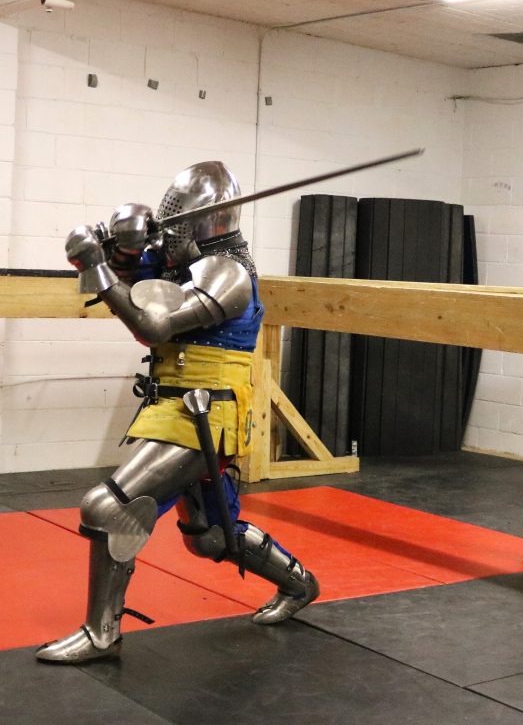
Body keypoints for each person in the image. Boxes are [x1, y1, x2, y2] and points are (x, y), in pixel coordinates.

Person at [36, 162, 319, 663]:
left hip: (205, 417)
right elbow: (130, 279)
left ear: (204, 220)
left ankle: (101, 634)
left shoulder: (228, 273)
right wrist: (111, 245)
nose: (168, 228)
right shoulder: (181, 266)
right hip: (175, 407)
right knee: (211, 537)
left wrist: (95, 267)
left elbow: (152, 326)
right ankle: (300, 582)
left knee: (108, 507)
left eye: (176, 218)